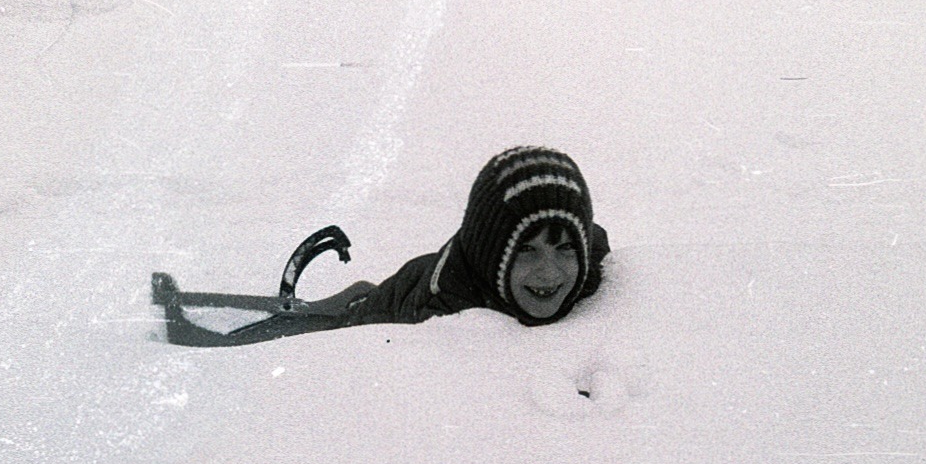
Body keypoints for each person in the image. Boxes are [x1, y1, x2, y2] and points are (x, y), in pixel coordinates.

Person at [152, 146, 610, 346]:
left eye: (564, 248)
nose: (551, 272)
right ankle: (189, 322)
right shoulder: (447, 317)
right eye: (527, 251)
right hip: (387, 310)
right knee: (313, 329)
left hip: (417, 275)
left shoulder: (588, 264)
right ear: (494, 254)